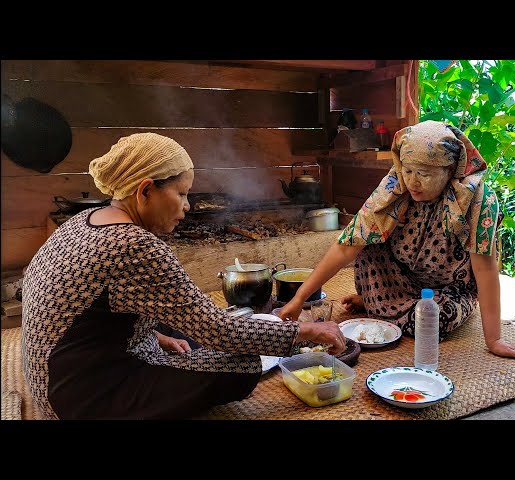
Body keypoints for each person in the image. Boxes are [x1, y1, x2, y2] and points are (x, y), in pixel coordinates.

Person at [21, 132, 347, 420]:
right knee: (240, 367)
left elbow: (90, 313)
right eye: (181, 194)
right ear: (145, 190)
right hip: (81, 398)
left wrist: (157, 337)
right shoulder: (134, 244)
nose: (188, 206)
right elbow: (216, 329)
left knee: (180, 318)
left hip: (53, 373)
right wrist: (308, 331)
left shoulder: (88, 219)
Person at [279, 120, 515, 360]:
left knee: (432, 321)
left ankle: (380, 305)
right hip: (401, 275)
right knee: (366, 246)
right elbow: (346, 246)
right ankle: (382, 303)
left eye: (425, 174)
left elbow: (485, 269)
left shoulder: (477, 200)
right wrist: (300, 298)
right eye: (408, 171)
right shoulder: (395, 185)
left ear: (450, 170)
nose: (413, 182)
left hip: (448, 290)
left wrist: (495, 340)